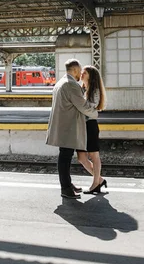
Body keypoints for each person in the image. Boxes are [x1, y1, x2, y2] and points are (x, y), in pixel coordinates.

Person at [46, 59, 98, 199]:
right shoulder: (71, 85)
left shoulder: (61, 82)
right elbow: (82, 106)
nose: (80, 73)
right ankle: (66, 188)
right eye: (79, 70)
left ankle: (68, 184)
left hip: (63, 126)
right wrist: (95, 113)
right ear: (74, 70)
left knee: (65, 156)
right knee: (65, 157)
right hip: (68, 127)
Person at [76, 65, 107, 194]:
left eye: (84, 72)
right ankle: (99, 179)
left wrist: (78, 105)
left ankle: (95, 183)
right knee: (81, 157)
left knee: (94, 155)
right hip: (81, 126)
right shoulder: (81, 89)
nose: (81, 74)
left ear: (91, 76)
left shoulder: (94, 91)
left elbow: (88, 107)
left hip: (90, 125)